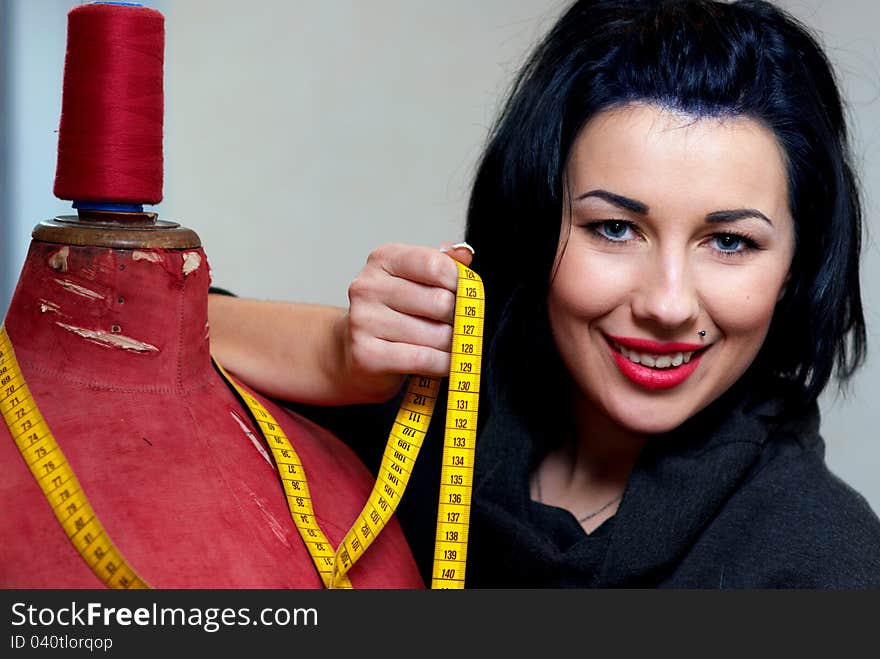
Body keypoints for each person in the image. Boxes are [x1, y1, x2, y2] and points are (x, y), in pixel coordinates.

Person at [208, 0, 880, 587]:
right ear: (538, 223)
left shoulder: (829, 568)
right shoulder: (411, 429)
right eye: (615, 228)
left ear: (795, 264)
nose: (668, 304)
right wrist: (335, 356)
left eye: (730, 242)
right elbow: (131, 332)